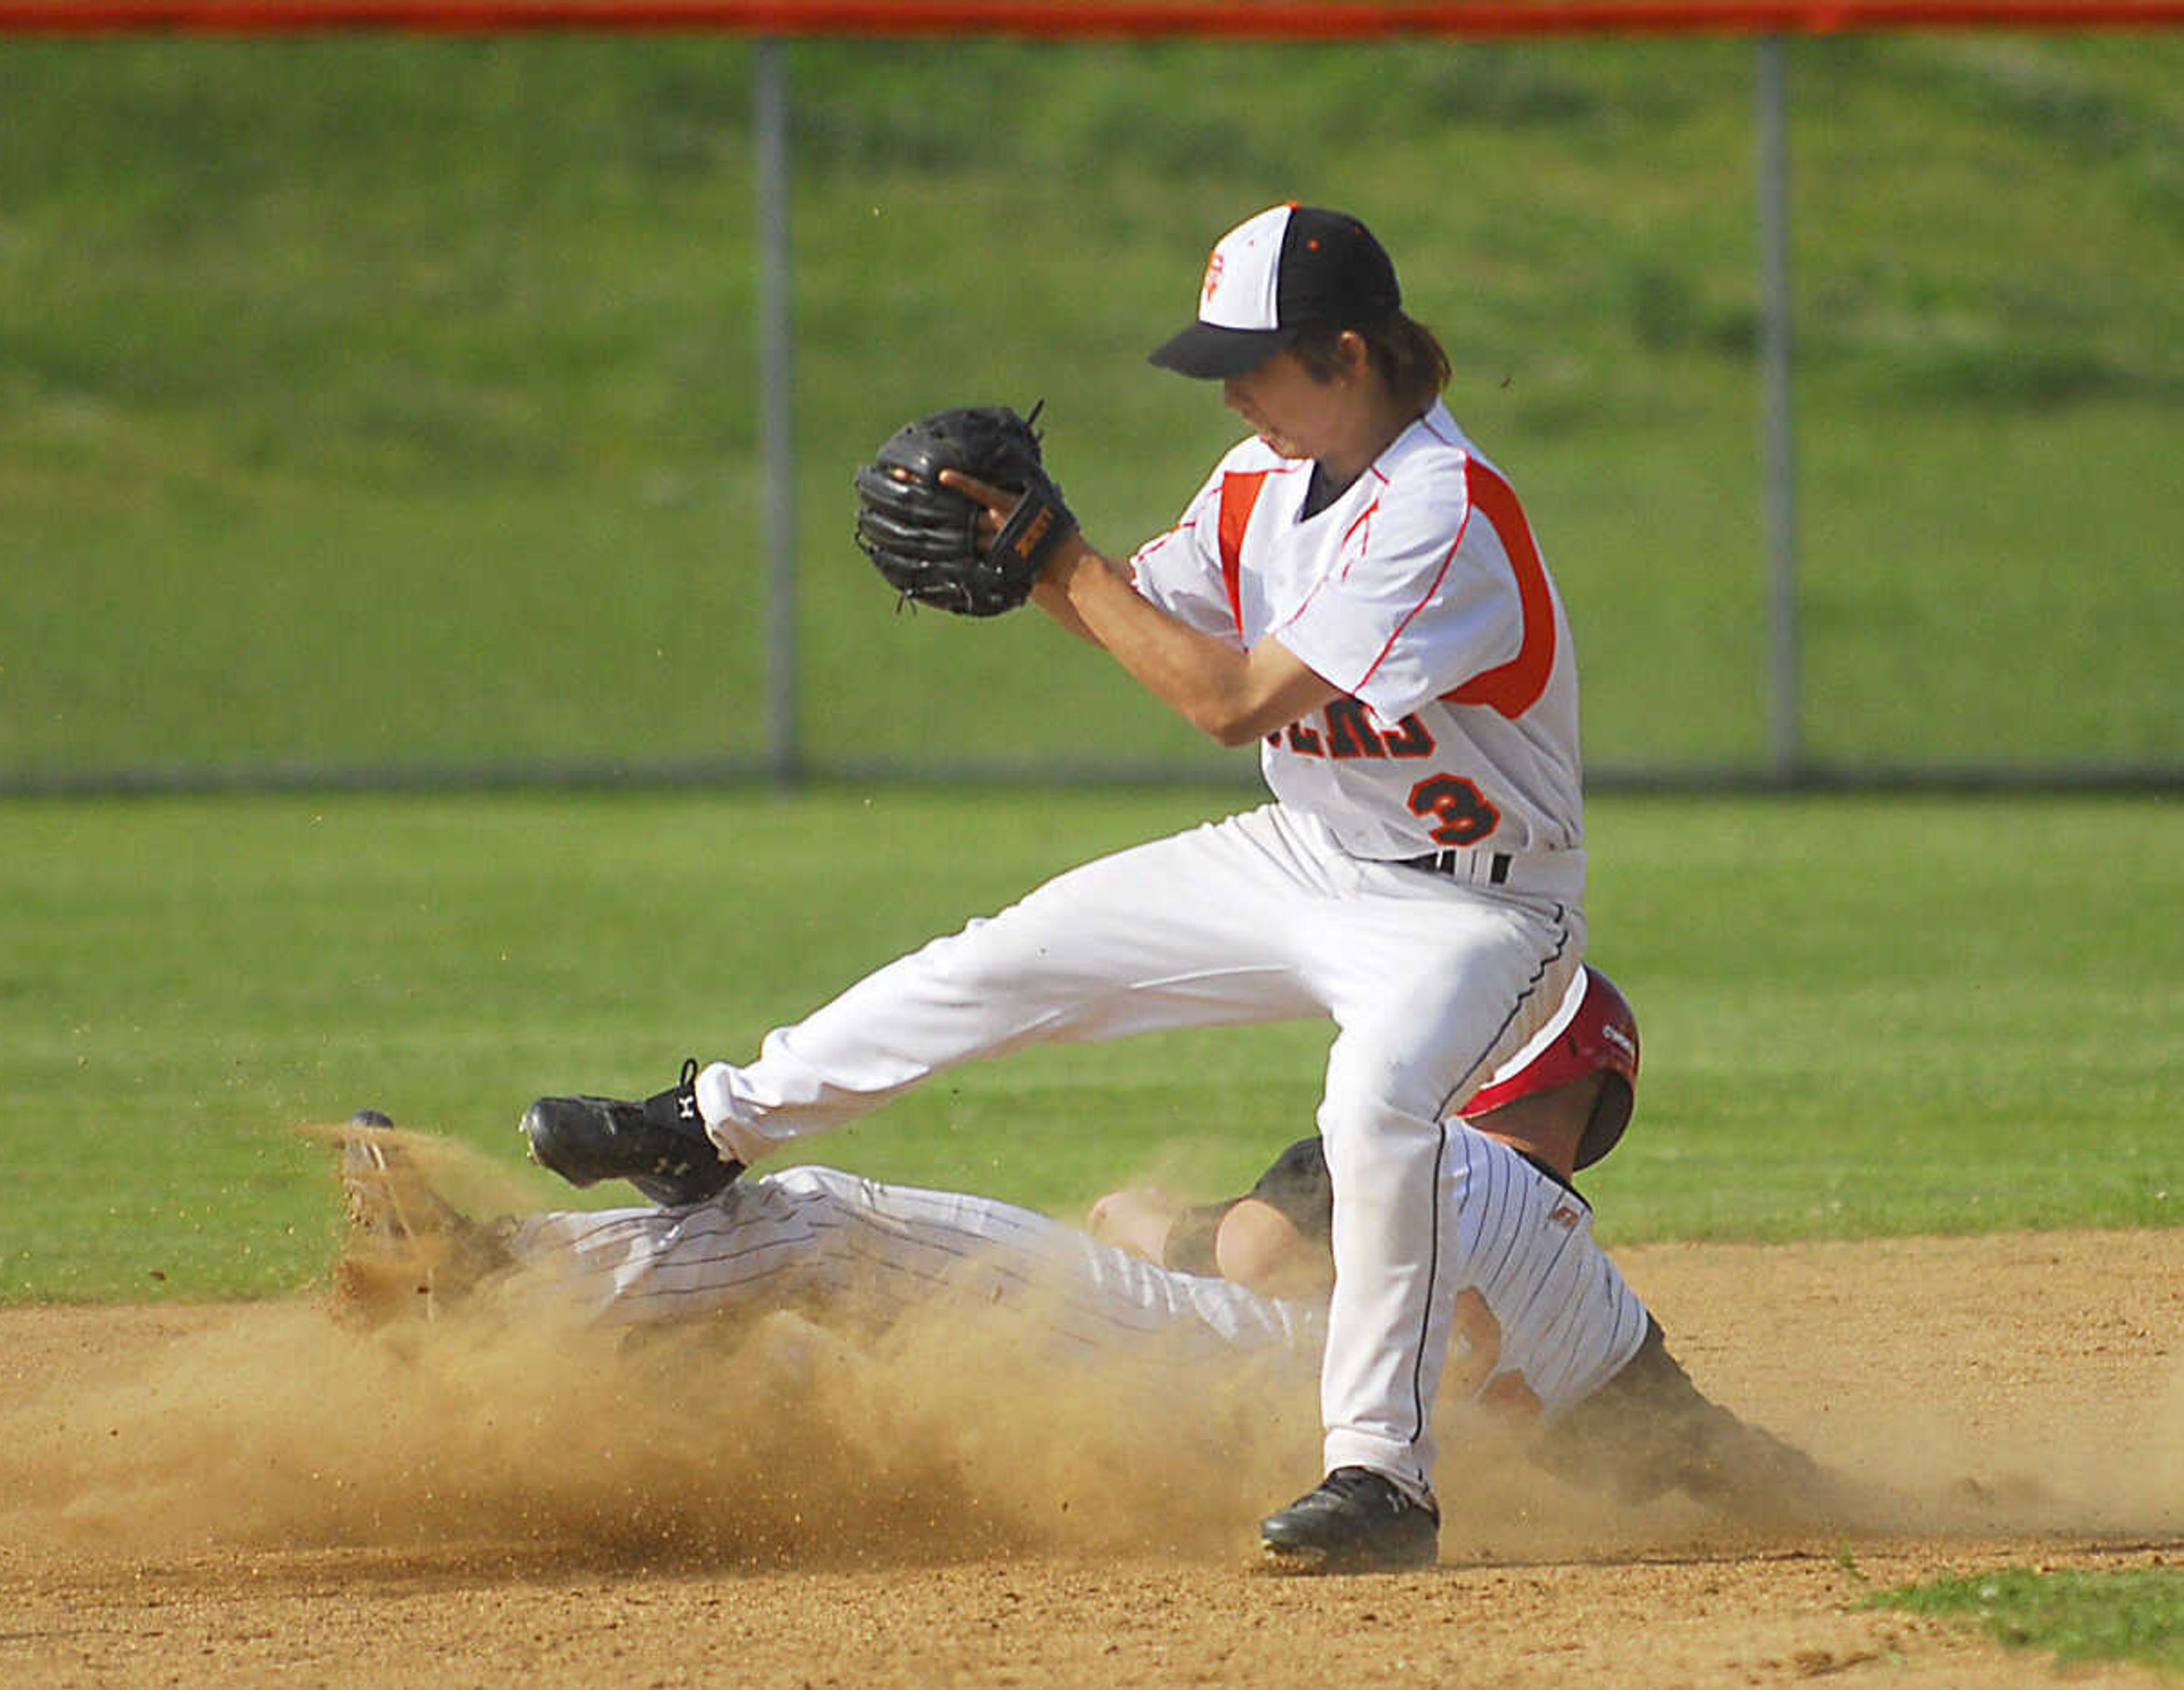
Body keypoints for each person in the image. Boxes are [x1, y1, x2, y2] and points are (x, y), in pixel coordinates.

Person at [518, 202, 1590, 1571]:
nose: (1234, 389)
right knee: (1012, 957)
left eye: (1255, 362)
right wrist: (1027, 561)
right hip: (1315, 851)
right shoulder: (1262, 479)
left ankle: (1382, 1477)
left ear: (1347, 353)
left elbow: (1225, 697)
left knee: (1376, 1113)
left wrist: (1055, 557)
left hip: (1481, 912)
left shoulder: (1441, 510)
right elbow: (1152, 607)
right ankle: (708, 1126)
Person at [341, 971, 1829, 1556]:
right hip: (1281, 1467)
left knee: (820, 1222)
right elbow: (1713, 1460)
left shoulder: (1417, 1140)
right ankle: (592, 1457)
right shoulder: (1606, 1304)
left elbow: (1257, 1252)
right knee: (823, 1320)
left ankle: (481, 1284)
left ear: (1502, 1047)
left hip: (1215, 1377)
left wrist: (1156, 1228)